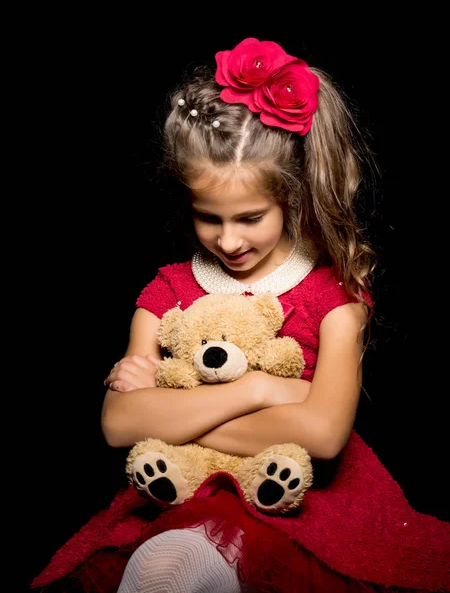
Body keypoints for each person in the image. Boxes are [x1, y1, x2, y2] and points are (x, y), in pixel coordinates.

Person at [32, 37, 450, 593]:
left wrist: (177, 410)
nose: (227, 240)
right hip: (179, 489)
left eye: (251, 217)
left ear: (292, 197)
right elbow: (119, 423)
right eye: (209, 218)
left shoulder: (334, 296)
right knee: (162, 569)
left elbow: (323, 436)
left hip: (309, 505)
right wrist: (263, 390)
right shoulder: (169, 290)